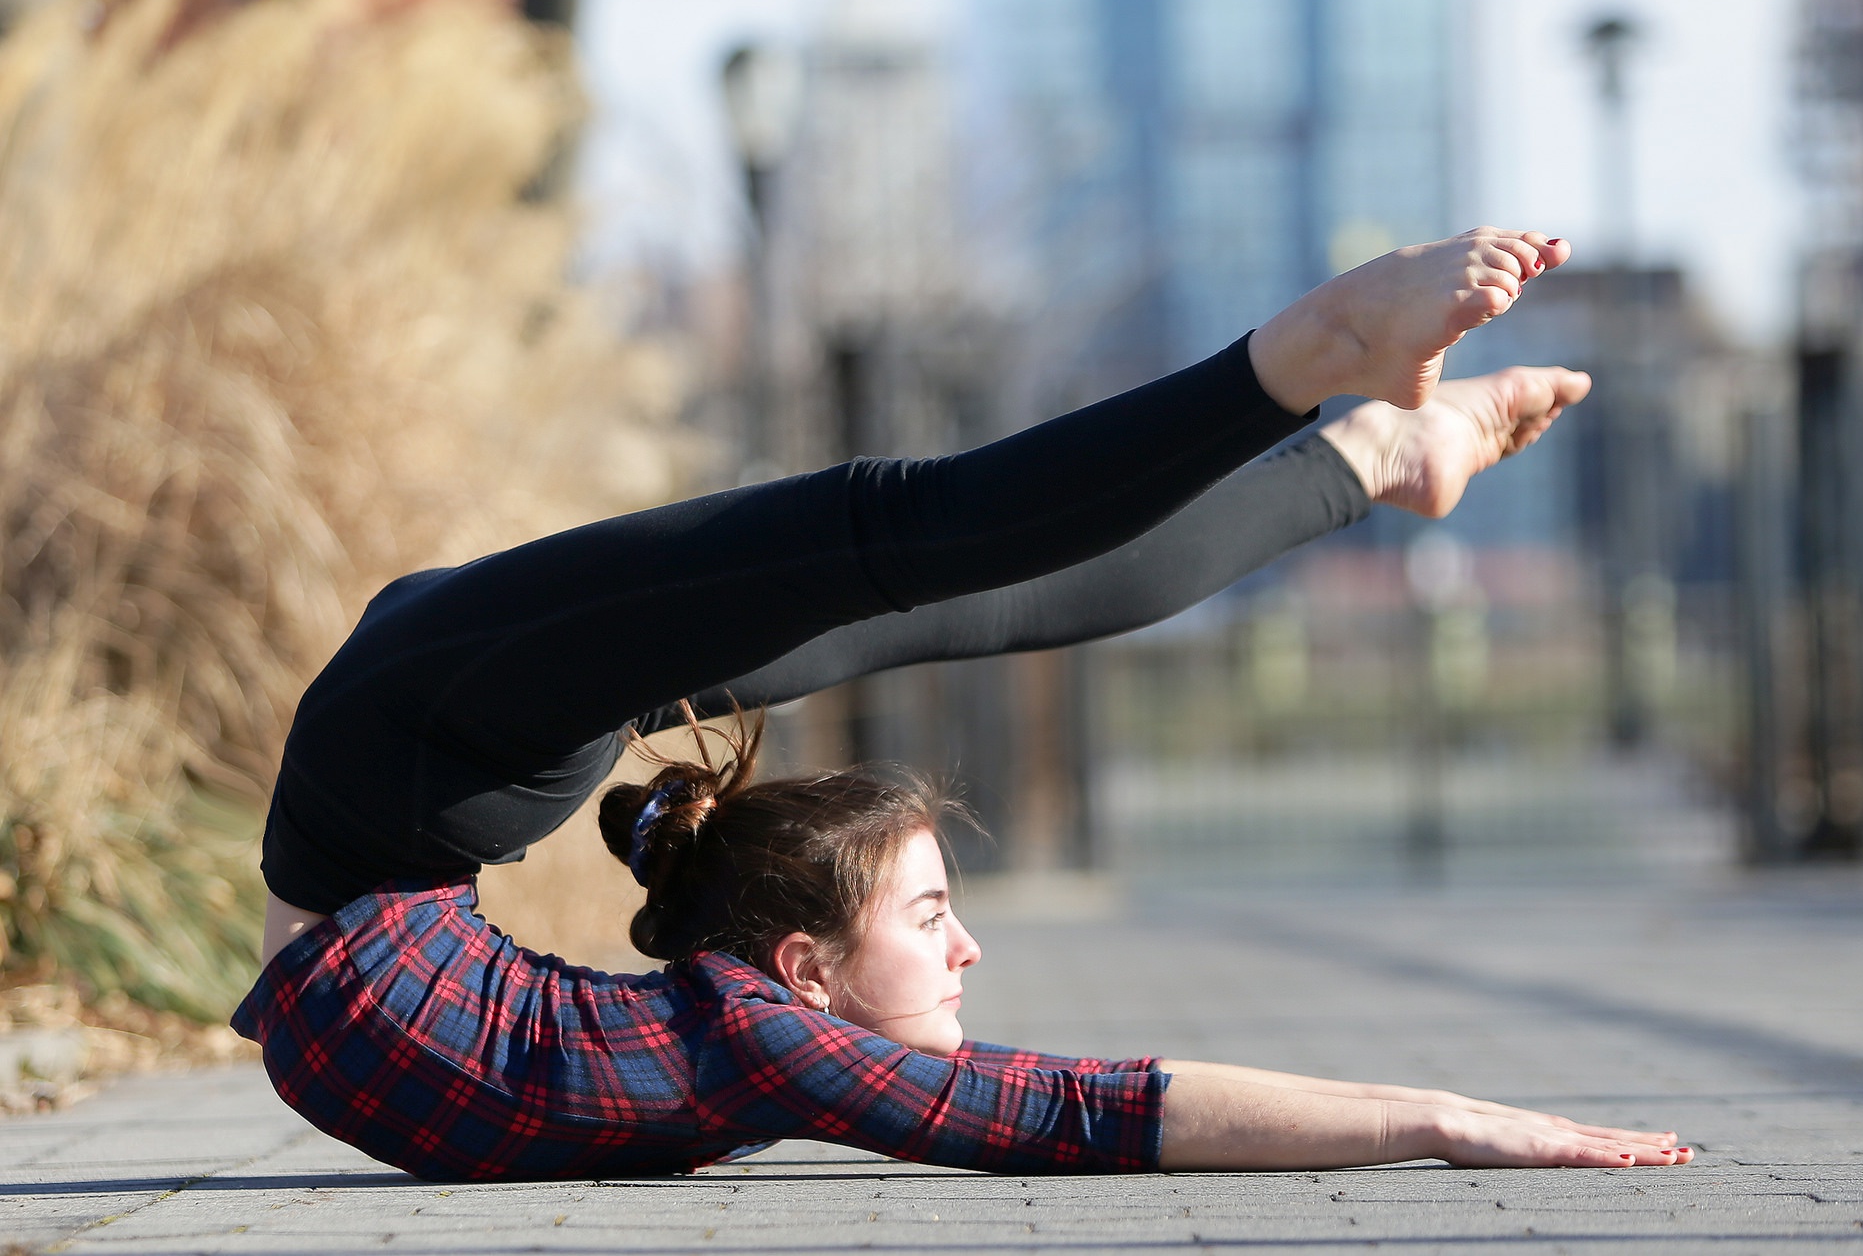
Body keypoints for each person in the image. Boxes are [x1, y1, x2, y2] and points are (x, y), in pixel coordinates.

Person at [235, 229, 1695, 1182]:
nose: (971, 944)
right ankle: (1379, 455)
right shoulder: (746, 1051)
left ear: (801, 967)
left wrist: (1438, 1121)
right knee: (985, 606)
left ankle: (1312, 354)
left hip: (408, 738)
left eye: (932, 917)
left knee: (900, 529)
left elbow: (1089, 1106)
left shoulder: (759, 1036)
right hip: (449, 763)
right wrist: (1434, 1115)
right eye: (939, 914)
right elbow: (1075, 1099)